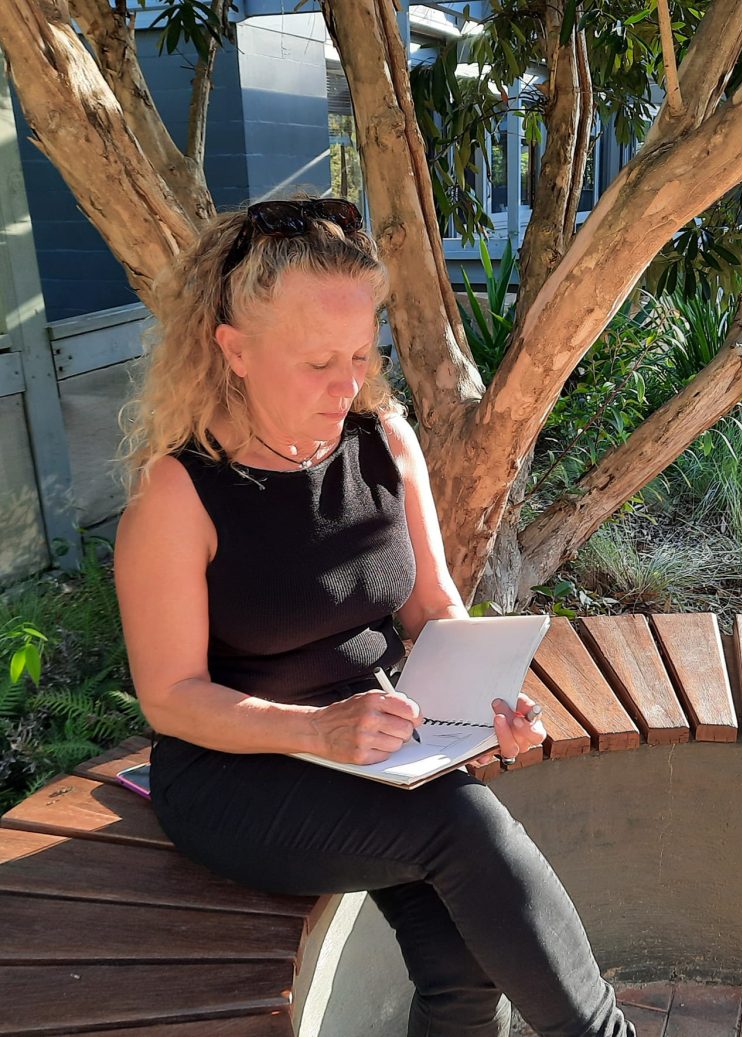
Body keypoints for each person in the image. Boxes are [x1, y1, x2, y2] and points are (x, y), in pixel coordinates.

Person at [113, 195, 636, 1037]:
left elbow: (432, 607)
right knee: (461, 824)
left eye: (360, 354)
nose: (347, 383)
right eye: (317, 359)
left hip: (381, 746)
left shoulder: (381, 439)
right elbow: (170, 696)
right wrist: (315, 732)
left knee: (465, 969)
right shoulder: (177, 494)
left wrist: (486, 698)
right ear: (234, 350)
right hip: (234, 768)